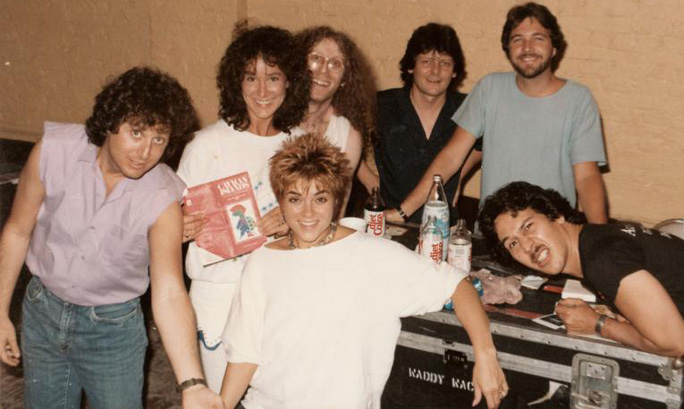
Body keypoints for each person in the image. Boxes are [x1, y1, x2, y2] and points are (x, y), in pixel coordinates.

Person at [219, 132, 508, 409]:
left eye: (319, 199)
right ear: (280, 201)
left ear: (336, 199)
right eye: (295, 199)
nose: (307, 213)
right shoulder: (262, 262)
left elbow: (457, 285)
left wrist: (485, 354)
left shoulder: (371, 254)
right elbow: (245, 354)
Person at [0, 67, 222, 408]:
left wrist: (192, 383)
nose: (146, 151)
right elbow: (17, 230)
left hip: (112, 331)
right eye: (136, 132)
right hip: (42, 313)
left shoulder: (163, 197)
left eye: (159, 139)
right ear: (109, 122)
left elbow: (169, 293)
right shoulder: (53, 151)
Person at [387, 2, 608, 226]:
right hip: (493, 235)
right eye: (517, 39)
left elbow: (587, 177)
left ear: (554, 48)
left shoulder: (579, 100)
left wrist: (601, 243)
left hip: (552, 238)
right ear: (508, 49)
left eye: (538, 38)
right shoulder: (489, 88)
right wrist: (402, 212)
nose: (527, 47)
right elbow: (451, 157)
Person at [176, 23, 310, 392]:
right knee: (221, 398)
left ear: (290, 83)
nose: (263, 91)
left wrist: (293, 219)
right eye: (251, 78)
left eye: (274, 78)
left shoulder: (301, 145)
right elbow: (169, 224)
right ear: (236, 82)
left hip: (280, 294)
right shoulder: (204, 145)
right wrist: (179, 226)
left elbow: (320, 223)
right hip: (218, 296)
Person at [478, 181, 684, 357]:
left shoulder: (603, 260)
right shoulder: (594, 240)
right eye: (512, 243)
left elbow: (676, 343)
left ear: (556, 216)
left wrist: (598, 324)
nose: (527, 246)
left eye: (528, 226)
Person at [376, 22, 482, 225]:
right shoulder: (382, 105)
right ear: (410, 66)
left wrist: (458, 174)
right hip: (389, 220)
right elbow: (344, 136)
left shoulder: (467, 108)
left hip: (443, 224)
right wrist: (369, 179)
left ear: (454, 71)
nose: (435, 71)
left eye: (445, 63)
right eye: (426, 61)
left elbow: (484, 144)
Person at [295, 26, 378, 209]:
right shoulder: (273, 120)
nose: (324, 70)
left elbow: (337, 210)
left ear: (345, 79)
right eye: (316, 59)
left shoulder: (348, 136)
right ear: (299, 64)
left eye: (335, 63)